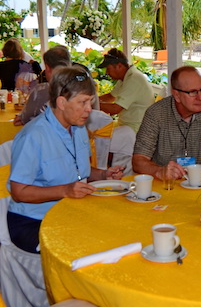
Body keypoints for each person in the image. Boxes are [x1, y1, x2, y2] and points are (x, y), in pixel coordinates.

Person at [7, 66, 125, 253]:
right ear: (62, 102)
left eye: (91, 102)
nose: (89, 110)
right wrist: (66, 190)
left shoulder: (78, 128)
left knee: (119, 229)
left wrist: (103, 174)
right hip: (34, 221)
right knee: (91, 245)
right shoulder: (33, 136)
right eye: (83, 102)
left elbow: (79, 171)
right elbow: (19, 192)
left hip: (72, 211)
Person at [133, 66, 201, 180]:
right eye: (193, 92)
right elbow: (138, 161)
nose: (200, 97)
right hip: (166, 187)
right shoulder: (156, 113)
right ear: (177, 95)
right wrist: (159, 171)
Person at [98, 48, 154, 133]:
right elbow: (111, 96)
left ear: (119, 66)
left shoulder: (134, 79)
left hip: (137, 128)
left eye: (108, 69)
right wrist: (91, 100)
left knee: (99, 137)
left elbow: (115, 109)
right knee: (97, 131)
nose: (106, 72)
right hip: (126, 124)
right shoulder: (124, 78)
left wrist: (90, 104)